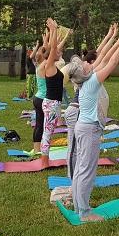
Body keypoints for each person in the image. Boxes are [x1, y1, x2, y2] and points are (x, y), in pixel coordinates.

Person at [71, 28, 119, 221]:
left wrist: (116, 38)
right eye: (83, 64)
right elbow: (112, 61)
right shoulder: (92, 81)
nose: (86, 62)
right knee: (87, 170)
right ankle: (84, 212)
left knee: (81, 168)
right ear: (85, 70)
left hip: (83, 126)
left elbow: (103, 54)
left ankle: (78, 206)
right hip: (89, 129)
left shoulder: (86, 79)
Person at [40, 19, 72, 166]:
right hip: (52, 103)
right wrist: (53, 30)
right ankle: (44, 162)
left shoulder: (51, 65)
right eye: (57, 51)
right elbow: (52, 48)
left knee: (49, 132)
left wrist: (55, 32)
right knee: (47, 133)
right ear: (51, 56)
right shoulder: (49, 65)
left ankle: (45, 159)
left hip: (53, 103)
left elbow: (54, 47)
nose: (59, 50)